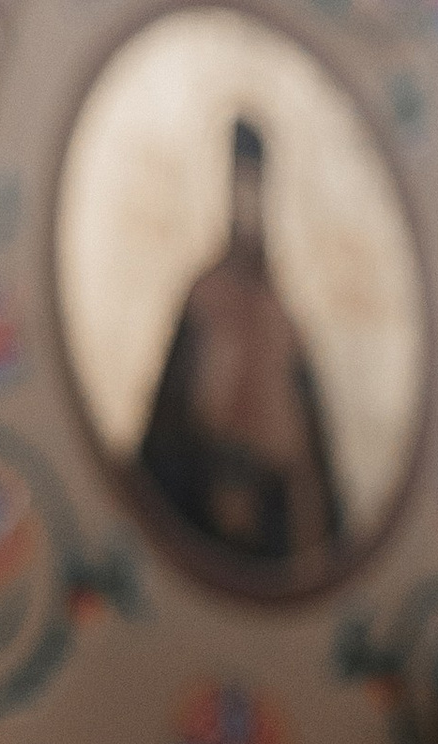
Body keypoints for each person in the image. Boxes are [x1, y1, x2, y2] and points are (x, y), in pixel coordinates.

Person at [137, 118, 344, 576]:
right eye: (239, 187)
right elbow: (164, 433)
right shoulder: (204, 298)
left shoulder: (283, 319)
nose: (248, 207)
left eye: (257, 190)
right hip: (200, 502)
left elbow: (317, 466)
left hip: (273, 521)